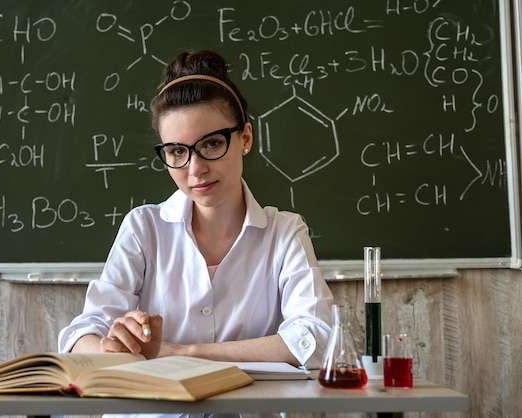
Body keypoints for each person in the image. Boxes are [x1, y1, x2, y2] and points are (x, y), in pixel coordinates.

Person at [58, 50, 333, 372]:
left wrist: (182, 351)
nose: (196, 168)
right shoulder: (143, 227)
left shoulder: (284, 232)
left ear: (245, 137)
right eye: (177, 151)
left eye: (212, 144)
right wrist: (116, 347)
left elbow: (316, 338)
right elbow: (81, 334)